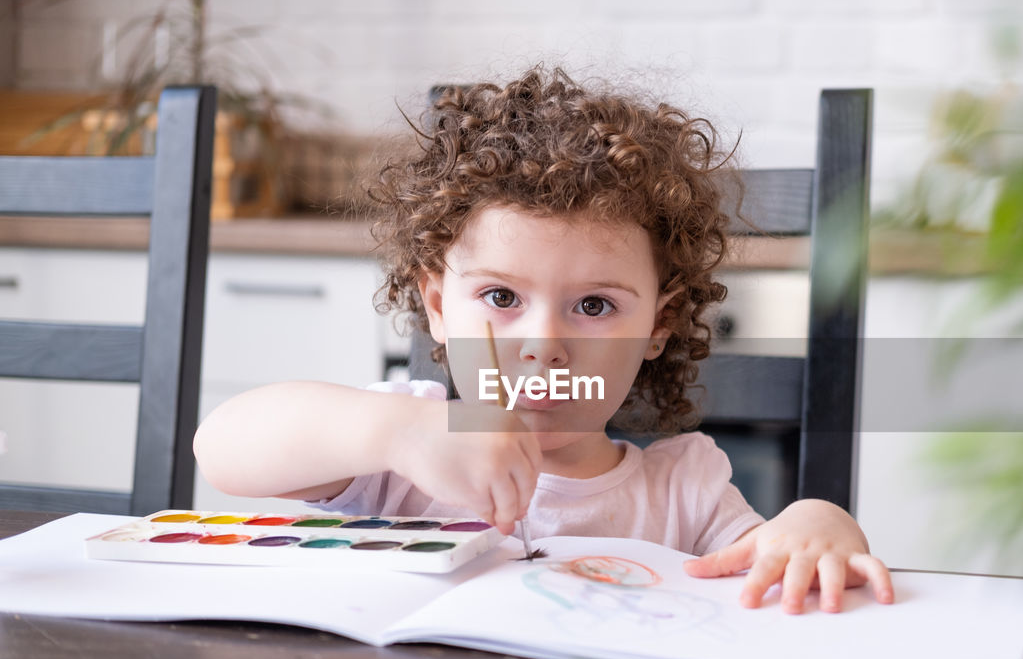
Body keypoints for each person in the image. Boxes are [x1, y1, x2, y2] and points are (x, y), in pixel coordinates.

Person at [194, 66, 893, 614]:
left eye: (593, 304)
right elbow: (221, 447)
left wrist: (819, 520)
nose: (542, 344)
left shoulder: (684, 494)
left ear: (659, 324)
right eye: (501, 297)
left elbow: (772, 567)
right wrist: (399, 431)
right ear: (438, 307)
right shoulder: (400, 453)